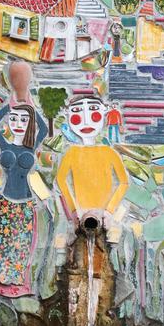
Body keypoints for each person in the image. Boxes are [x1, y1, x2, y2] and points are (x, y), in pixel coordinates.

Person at [0, 101, 48, 297]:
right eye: (13, 119)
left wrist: (30, 106)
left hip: (25, 203)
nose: (18, 123)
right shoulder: (4, 144)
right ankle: (2, 281)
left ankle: (18, 282)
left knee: (21, 244)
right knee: (2, 242)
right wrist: (8, 107)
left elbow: (44, 129)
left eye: (23, 120)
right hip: (6, 201)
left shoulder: (31, 146)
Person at [54, 94, 129, 229]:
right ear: (68, 114)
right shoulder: (72, 152)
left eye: (93, 111)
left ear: (104, 111)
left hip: (104, 216)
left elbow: (124, 182)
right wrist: (73, 209)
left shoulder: (109, 152)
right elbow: (60, 179)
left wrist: (109, 210)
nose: (87, 121)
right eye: (77, 113)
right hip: (81, 213)